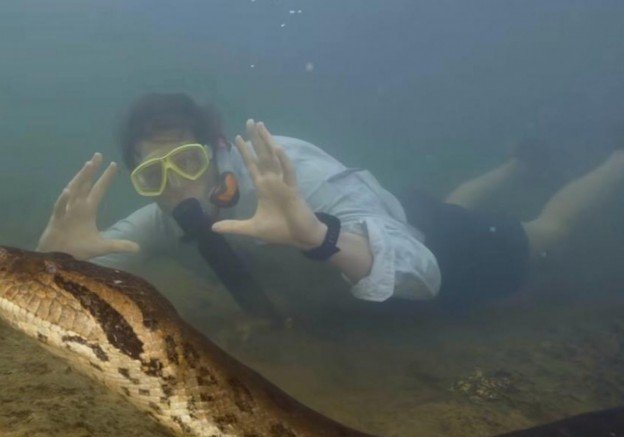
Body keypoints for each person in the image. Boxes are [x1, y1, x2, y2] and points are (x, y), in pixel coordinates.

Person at [37, 93, 624, 315]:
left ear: (217, 153)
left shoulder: (291, 177)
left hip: (429, 239)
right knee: (443, 204)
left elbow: (420, 271)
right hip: (405, 210)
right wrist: (51, 264)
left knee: (547, 231)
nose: (177, 189)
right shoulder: (170, 214)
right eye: (152, 175)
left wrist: (319, 236)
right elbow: (101, 259)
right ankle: (519, 164)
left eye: (187, 164)